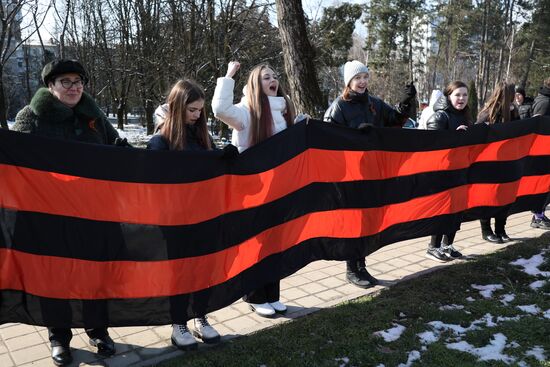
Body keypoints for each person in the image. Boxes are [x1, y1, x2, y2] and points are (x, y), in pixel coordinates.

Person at [12, 59, 118, 365]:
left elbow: (115, 147)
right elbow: (16, 164)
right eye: (66, 82)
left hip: (94, 214)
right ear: (50, 86)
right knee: (55, 277)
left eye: (78, 81)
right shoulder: (31, 117)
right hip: (51, 218)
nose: (74, 87)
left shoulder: (94, 117)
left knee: (95, 274)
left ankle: (98, 329)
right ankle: (59, 337)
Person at [324, 60, 417, 288]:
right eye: (358, 78)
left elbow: (395, 121)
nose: (362, 81)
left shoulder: (374, 104)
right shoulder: (339, 106)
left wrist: (406, 104)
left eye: (365, 77)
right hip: (350, 176)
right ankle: (351, 268)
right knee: (354, 221)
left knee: (368, 221)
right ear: (349, 81)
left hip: (372, 173)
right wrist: (354, 138)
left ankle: (361, 265)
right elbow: (327, 138)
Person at [212, 61, 295, 317]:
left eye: (274, 76)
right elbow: (220, 109)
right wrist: (228, 76)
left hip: (279, 187)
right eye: (265, 77)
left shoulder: (284, 108)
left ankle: (272, 294)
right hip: (254, 189)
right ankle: (255, 295)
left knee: (275, 241)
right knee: (257, 242)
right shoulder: (246, 111)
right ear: (254, 85)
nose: (273, 80)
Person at [425, 81, 472, 262]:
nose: (461, 99)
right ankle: (433, 247)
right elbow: (433, 148)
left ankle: (447, 244)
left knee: (457, 210)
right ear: (449, 96)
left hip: (461, 171)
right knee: (443, 210)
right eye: (457, 95)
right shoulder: (439, 117)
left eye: (465, 95)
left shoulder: (466, 116)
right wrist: (454, 137)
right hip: (442, 175)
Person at [476, 82, 519, 243]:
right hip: (490, 163)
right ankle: (486, 230)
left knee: (505, 197)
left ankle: (501, 228)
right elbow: (477, 133)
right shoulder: (488, 113)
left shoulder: (513, 112)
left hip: (508, 162)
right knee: (489, 196)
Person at [530, 77, 550, 229]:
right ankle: (538, 216)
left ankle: (539, 214)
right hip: (542, 150)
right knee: (543, 184)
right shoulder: (545, 102)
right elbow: (537, 125)